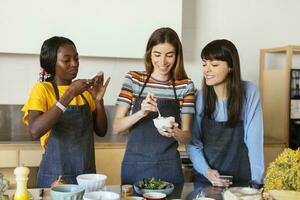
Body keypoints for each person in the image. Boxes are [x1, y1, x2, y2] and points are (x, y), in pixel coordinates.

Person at [22, 36, 110, 187]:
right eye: (67, 60)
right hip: (55, 179)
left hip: (86, 177)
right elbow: (34, 131)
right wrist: (69, 93)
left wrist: (98, 100)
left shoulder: (84, 92)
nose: (74, 64)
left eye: (76, 58)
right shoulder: (42, 89)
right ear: (52, 63)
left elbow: (101, 131)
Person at [113, 27, 195, 184]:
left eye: (169, 55)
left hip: (169, 167)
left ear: (177, 56)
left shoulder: (185, 86)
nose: (162, 62)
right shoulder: (134, 79)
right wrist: (141, 112)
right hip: (134, 166)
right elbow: (117, 127)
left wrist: (174, 131)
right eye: (157, 55)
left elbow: (187, 136)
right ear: (149, 54)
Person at [187, 39, 264, 186]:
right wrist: (207, 171)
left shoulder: (250, 92)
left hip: (242, 180)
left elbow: (254, 141)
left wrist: (256, 183)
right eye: (204, 64)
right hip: (207, 180)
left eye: (214, 64)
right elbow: (194, 143)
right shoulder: (200, 97)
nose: (206, 70)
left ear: (231, 67)